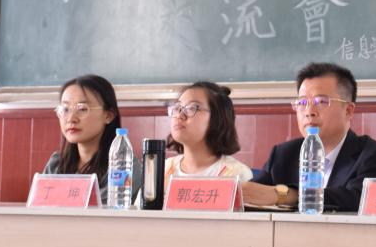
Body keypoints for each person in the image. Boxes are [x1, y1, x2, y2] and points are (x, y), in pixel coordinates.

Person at [243, 62, 376, 211]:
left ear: (348, 110)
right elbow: (254, 194)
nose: (309, 111)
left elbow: (359, 199)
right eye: (302, 102)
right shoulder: (283, 155)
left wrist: (287, 196)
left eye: (321, 101)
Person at [44, 74, 141, 205]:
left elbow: (101, 211)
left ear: (108, 115)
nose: (71, 118)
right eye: (65, 109)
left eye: (82, 109)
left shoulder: (122, 166)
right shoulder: (56, 164)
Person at [164, 81, 252, 185]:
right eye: (177, 108)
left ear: (218, 118)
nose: (179, 115)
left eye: (192, 107)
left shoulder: (235, 174)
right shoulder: (164, 169)